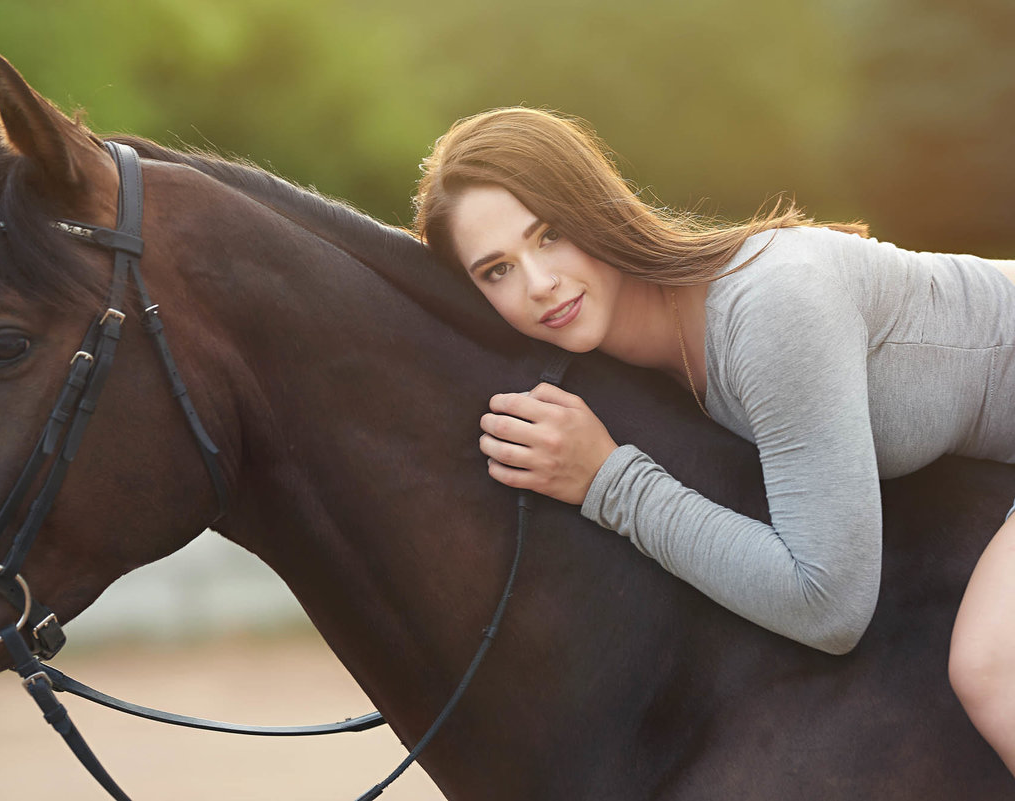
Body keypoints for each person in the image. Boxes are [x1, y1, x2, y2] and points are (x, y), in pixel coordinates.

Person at [412, 106, 1015, 773]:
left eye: (549, 234)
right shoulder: (653, 352)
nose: (539, 283)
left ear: (594, 207)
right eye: (497, 269)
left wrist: (611, 481)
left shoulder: (770, 308)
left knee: (993, 667)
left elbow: (830, 604)